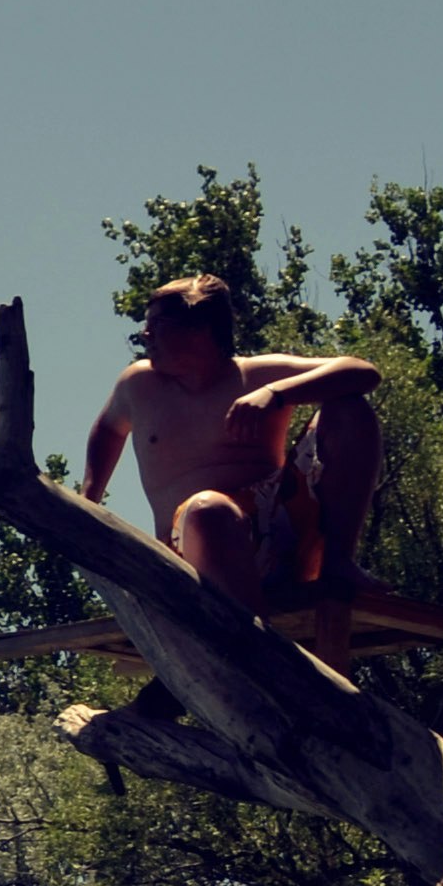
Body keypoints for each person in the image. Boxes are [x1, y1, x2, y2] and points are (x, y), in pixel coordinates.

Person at [81, 272, 384, 666]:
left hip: (279, 540)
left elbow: (363, 371)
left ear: (199, 329)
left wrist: (275, 394)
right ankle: (260, 656)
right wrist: (89, 500)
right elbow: (107, 429)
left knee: (348, 406)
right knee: (210, 509)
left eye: (156, 326)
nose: (145, 336)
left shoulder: (255, 375)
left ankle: (338, 561)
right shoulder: (139, 384)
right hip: (197, 550)